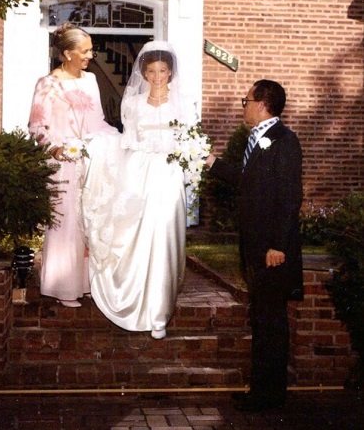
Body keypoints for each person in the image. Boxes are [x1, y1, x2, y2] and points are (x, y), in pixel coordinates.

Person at [82, 41, 198, 339]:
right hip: (139, 172)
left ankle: (160, 310)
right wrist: (100, 145)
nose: (157, 75)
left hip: (169, 175)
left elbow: (190, 139)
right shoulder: (132, 102)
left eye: (162, 70)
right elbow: (127, 139)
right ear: (143, 72)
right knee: (137, 236)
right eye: (150, 70)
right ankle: (134, 300)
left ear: (170, 71)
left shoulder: (184, 101)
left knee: (164, 236)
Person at [205, 79, 303, 411]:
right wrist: (211, 162)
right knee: (262, 320)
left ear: (261, 104)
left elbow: (290, 197)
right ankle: (260, 392)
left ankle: (269, 397)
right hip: (255, 246)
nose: (242, 106)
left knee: (271, 322)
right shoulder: (256, 139)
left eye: (245, 100)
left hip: (272, 251)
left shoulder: (284, 141)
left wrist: (278, 245)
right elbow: (248, 183)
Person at [28, 23, 118, 308]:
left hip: (91, 161)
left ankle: (89, 284)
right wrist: (54, 148)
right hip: (62, 164)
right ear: (67, 53)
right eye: (85, 50)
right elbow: (36, 125)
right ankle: (63, 287)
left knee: (91, 220)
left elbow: (98, 121)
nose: (90, 55)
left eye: (90, 49)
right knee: (66, 223)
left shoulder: (91, 80)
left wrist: (117, 141)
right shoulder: (48, 83)